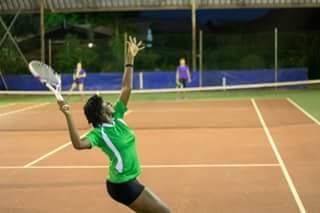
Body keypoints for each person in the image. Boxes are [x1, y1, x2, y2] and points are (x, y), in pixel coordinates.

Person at [57, 36, 171, 213]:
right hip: (122, 184)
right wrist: (68, 115)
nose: (110, 103)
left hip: (128, 180)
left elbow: (127, 88)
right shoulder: (99, 133)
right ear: (101, 113)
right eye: (105, 104)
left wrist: (130, 59)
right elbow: (78, 144)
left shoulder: (117, 116)